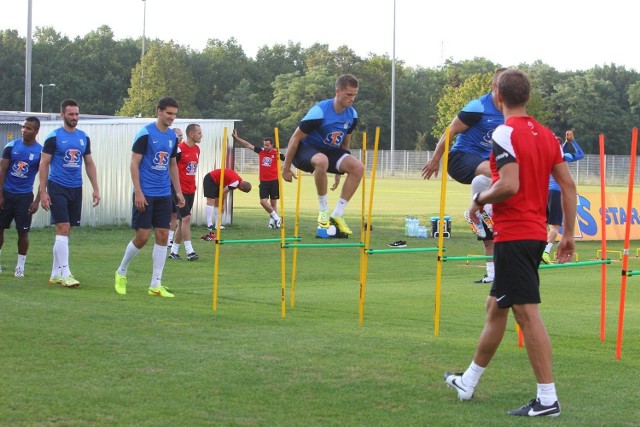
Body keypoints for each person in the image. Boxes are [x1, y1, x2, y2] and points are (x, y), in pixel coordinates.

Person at [444, 69, 577, 417]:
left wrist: (478, 200)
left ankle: (548, 399)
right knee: (496, 307)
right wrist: (568, 234)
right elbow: (568, 187)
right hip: (531, 235)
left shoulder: (504, 132)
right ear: (527, 97)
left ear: (498, 97)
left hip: (516, 234)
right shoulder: (547, 135)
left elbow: (510, 185)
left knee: (526, 313)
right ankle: (468, 382)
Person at [422, 68, 507, 284]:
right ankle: (473, 211)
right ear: (494, 87)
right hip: (461, 159)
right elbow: (449, 131)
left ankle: (493, 275)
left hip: (486, 169)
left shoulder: (511, 112)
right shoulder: (478, 107)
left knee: (490, 229)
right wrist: (435, 159)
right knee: (495, 172)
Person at [114, 96, 185, 297]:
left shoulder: (172, 137)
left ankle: (155, 284)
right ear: (159, 111)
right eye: (169, 113)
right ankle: (121, 271)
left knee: (163, 235)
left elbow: (172, 165)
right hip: (145, 194)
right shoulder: (145, 133)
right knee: (143, 236)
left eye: (175, 114)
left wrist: (178, 191)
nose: (172, 118)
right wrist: (138, 191)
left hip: (164, 193)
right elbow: (133, 163)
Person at [282, 74, 364, 235]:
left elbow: (345, 143)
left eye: (355, 95)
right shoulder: (319, 112)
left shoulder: (352, 115)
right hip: (305, 150)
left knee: (358, 167)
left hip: (330, 151)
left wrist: (340, 171)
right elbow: (294, 139)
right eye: (349, 94)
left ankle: (337, 215)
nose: (352, 98)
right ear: (338, 91)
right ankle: (323, 211)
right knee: (322, 160)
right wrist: (286, 167)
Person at [39, 99, 101, 288]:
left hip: (76, 187)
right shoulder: (54, 137)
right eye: (71, 114)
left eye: (76, 114)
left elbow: (89, 163)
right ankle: (66, 274)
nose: (75, 117)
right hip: (57, 186)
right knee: (63, 227)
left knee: (67, 230)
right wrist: (43, 191)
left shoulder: (83, 137)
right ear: (62, 115)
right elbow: (44, 163)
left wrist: (96, 188)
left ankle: (55, 273)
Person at [0, 117, 42, 277]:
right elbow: (2, 170)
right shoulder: (11, 146)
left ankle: (20, 267)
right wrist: (0, 194)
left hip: (24, 197)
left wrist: (37, 200)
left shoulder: (40, 152)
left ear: (36, 132)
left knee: (23, 232)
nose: (24, 130)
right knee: (0, 228)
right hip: (7, 194)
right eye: (23, 127)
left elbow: (44, 178)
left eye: (29, 128)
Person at [542, 130, 584, 263]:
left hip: (544, 192)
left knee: (545, 225)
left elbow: (558, 149)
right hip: (556, 192)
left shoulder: (545, 155)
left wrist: (565, 142)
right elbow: (580, 155)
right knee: (555, 227)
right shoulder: (563, 156)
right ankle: (545, 252)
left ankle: (537, 251)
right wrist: (572, 141)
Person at [232, 129, 284, 228]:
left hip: (274, 181)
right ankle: (277, 218)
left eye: (268, 145)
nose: (265, 147)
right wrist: (237, 138)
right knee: (263, 202)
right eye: (264, 145)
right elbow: (248, 145)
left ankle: (272, 224)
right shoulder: (260, 151)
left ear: (272, 145)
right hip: (263, 182)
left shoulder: (276, 153)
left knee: (273, 204)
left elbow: (288, 159)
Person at [169, 124, 201, 261]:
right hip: (179, 190)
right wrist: (177, 190)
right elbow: (171, 167)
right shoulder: (179, 150)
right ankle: (190, 251)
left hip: (190, 189)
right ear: (191, 134)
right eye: (199, 133)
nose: (201, 135)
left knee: (183, 221)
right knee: (186, 218)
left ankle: (174, 251)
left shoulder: (197, 149)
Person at [167, 127, 184, 247]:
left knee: (174, 214)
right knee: (169, 214)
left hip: (175, 186)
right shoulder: (170, 149)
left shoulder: (179, 150)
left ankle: (169, 240)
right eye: (179, 136)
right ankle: (165, 238)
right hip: (167, 185)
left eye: (182, 136)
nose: (181, 138)